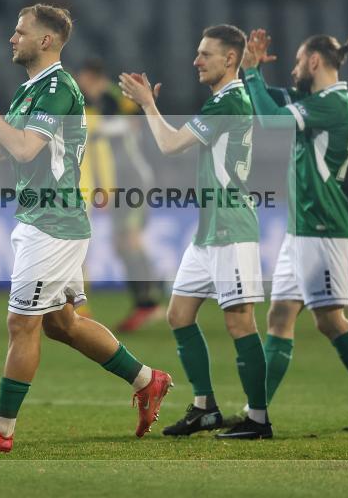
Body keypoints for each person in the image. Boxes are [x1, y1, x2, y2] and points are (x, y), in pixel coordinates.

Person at [0, 4, 172, 453]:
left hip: (53, 224)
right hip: (42, 219)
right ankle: (147, 380)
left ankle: (1, 428)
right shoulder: (31, 90)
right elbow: (0, 150)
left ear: (45, 40)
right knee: (62, 325)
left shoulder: (59, 88)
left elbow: (24, 149)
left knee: (21, 324)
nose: (12, 38)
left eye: (20, 31)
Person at [238, 28, 348, 431]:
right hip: (301, 228)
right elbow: (271, 100)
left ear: (314, 61)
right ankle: (255, 415)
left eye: (298, 61)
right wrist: (249, 72)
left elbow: (271, 120)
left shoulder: (335, 104)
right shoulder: (316, 101)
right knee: (280, 316)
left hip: (323, 226)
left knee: (330, 320)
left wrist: (253, 74)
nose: (294, 69)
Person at [119, 25, 271, 440]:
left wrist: (148, 105)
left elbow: (170, 145)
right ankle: (205, 408)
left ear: (229, 59)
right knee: (179, 314)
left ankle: (259, 419)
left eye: (206, 54)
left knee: (240, 323)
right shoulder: (225, 100)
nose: (196, 60)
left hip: (232, 228)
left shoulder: (229, 101)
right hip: (209, 230)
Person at [75, 59, 164, 332]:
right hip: (117, 182)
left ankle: (150, 302)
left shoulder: (112, 97)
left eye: (82, 79)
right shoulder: (95, 104)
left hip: (133, 179)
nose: (80, 84)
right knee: (121, 243)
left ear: (91, 77)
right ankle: (150, 296)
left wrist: (99, 128)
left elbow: (133, 123)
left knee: (130, 239)